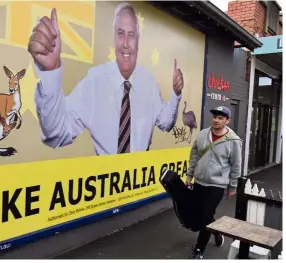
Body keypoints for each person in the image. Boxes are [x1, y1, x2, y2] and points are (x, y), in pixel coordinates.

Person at [27, 2, 184, 155]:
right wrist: (50, 73)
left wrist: (176, 94)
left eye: (132, 35)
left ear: (138, 41)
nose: (126, 44)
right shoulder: (95, 81)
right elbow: (56, 134)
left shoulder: (148, 83)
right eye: (120, 33)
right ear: (114, 37)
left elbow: (166, 123)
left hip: (141, 179)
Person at [186, 106, 242, 259]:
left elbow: (236, 164)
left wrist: (233, 186)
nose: (216, 120)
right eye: (215, 117)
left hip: (217, 184)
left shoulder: (233, 140)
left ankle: (199, 249)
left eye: (220, 118)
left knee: (205, 215)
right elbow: (194, 155)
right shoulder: (203, 134)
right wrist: (189, 175)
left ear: (227, 120)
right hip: (200, 181)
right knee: (200, 214)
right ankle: (216, 232)